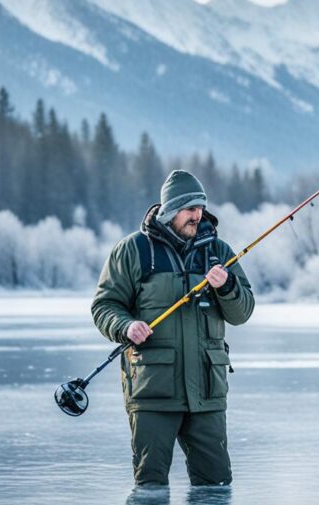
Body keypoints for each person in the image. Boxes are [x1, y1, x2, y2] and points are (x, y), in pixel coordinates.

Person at [91, 170, 255, 486]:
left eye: (200, 208)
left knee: (215, 488)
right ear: (170, 210)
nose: (198, 215)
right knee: (150, 487)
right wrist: (126, 327)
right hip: (152, 392)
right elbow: (104, 306)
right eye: (189, 208)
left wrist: (227, 286)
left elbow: (243, 311)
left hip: (207, 393)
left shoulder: (218, 251)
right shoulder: (133, 250)